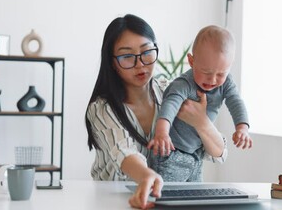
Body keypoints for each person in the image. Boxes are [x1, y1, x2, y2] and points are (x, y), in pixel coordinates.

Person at [85, 14, 227, 209]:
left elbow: (218, 154)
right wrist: (147, 176)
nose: (140, 64)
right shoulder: (102, 108)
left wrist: (202, 123)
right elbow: (123, 152)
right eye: (127, 56)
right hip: (113, 201)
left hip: (165, 201)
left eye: (147, 52)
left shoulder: (173, 93)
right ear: (112, 63)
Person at [148, 25, 253, 182]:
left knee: (195, 196)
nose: (212, 80)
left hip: (196, 155)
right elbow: (170, 105)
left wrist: (242, 128)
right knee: (165, 195)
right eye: (206, 72)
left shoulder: (226, 83)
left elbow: (236, 101)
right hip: (171, 153)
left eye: (221, 74)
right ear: (191, 61)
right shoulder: (184, 84)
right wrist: (162, 133)